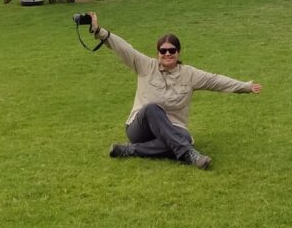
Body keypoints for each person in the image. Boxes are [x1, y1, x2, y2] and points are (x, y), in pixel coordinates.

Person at [87, 12, 262, 169]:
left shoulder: (189, 74)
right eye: (163, 50)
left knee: (182, 137)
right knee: (151, 109)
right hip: (140, 129)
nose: (167, 54)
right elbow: (123, 48)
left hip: (174, 127)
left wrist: (245, 87)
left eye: (172, 50)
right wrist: (99, 31)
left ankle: (130, 150)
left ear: (178, 52)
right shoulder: (146, 66)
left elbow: (215, 80)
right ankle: (189, 154)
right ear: (158, 53)